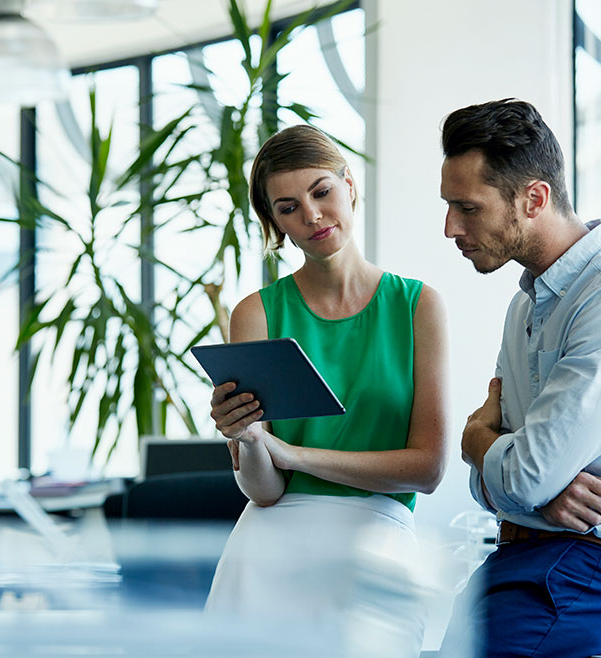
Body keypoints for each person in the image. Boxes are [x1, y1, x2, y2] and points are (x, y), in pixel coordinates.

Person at [437, 99, 601, 658]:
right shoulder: (526, 306)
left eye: (467, 207)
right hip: (514, 566)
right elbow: (504, 484)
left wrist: (475, 441)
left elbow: (522, 472)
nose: (450, 228)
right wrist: (522, 482)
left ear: (533, 199)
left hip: (585, 577)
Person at [205, 124, 450, 655]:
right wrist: (248, 439)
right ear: (274, 222)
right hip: (268, 547)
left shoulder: (418, 307)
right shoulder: (257, 313)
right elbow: (266, 490)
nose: (312, 216)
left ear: (349, 186)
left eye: (322, 191)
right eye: (288, 207)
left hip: (377, 536)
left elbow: (427, 469)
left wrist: (292, 453)